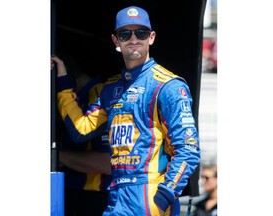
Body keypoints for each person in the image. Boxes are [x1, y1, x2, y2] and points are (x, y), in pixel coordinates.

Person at [51, 5, 200, 216]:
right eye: (125, 33)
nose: (133, 39)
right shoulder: (112, 89)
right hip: (117, 194)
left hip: (149, 194)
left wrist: (166, 194)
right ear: (116, 40)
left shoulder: (168, 86)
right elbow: (81, 129)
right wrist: (63, 82)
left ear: (152, 37)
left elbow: (188, 149)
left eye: (141, 32)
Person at [51, 55, 112, 216]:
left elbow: (106, 163)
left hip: (93, 198)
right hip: (71, 192)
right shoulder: (81, 96)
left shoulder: (100, 96)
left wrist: (55, 155)